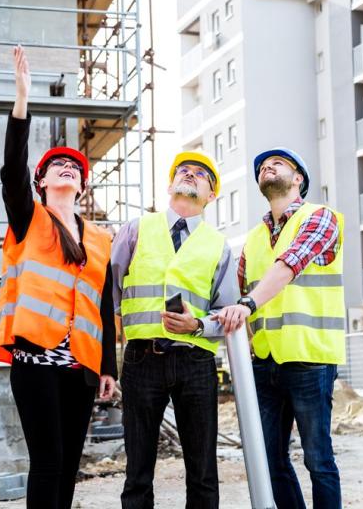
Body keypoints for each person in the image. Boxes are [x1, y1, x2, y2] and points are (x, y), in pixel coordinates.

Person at [0, 45, 117, 509]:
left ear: (82, 186)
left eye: (75, 168)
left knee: (69, 465)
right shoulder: (30, 220)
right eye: (56, 166)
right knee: (47, 461)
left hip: (80, 368)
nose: (67, 169)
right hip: (36, 362)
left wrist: (108, 367)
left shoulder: (100, 239)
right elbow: (11, 170)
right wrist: (22, 100)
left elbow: (102, 307)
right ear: (41, 182)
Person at [215, 148, 345, 509]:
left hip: (310, 358)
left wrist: (247, 304)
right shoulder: (253, 240)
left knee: (318, 461)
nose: (267, 168)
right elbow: (236, 293)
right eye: (262, 167)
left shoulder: (320, 218)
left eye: (278, 164)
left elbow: (291, 264)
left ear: (298, 178)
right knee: (270, 461)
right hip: (265, 363)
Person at [112, 151, 238, 509]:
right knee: (137, 471)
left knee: (202, 470)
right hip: (142, 359)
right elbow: (114, 291)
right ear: (170, 185)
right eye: (183, 170)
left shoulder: (218, 246)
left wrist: (198, 325)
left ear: (212, 195)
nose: (189, 174)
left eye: (200, 174)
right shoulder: (135, 230)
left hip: (196, 362)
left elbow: (226, 313)